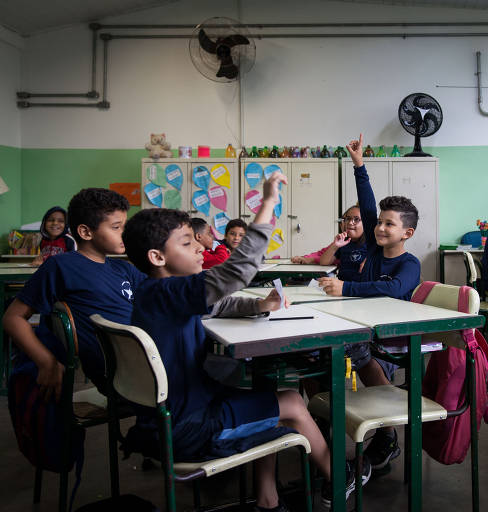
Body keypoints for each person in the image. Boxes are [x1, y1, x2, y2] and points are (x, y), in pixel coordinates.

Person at [123, 171, 367, 511]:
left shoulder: (156, 294)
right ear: (157, 258)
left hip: (166, 421)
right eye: (186, 243)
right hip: (190, 429)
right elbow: (235, 273)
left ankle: (268, 501)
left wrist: (259, 305)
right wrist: (267, 202)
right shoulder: (168, 293)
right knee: (293, 404)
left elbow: (217, 303)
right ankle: (342, 479)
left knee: (265, 393)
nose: (198, 248)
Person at [316, 133, 421, 472]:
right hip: (365, 327)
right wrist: (359, 164)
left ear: (407, 233)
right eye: (380, 221)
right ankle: (323, 426)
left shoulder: (410, 264)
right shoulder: (374, 250)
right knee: (319, 354)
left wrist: (345, 288)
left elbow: (390, 291)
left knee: (347, 351)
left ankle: (385, 435)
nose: (380, 227)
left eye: (390, 224)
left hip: (393, 336)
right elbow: (366, 202)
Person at [3, 188, 145, 396]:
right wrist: (46, 362)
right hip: (121, 373)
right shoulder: (62, 266)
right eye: (116, 227)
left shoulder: (125, 269)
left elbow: (162, 295)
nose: (125, 233)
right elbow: (12, 318)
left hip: (144, 360)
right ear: (86, 232)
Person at [291, 205, 366, 281]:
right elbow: (324, 262)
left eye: (356, 219)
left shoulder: (370, 246)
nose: (350, 222)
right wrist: (335, 245)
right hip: (341, 286)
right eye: (348, 219)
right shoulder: (343, 243)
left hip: (357, 288)